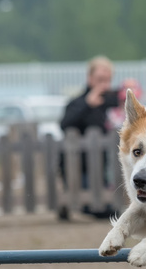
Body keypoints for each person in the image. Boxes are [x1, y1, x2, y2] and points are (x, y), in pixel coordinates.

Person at [57, 57, 140, 221]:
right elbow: (65, 124)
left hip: (104, 165)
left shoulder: (110, 100)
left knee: (108, 204)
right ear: (90, 79)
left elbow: (129, 98)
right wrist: (88, 104)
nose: (104, 84)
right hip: (78, 166)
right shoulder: (77, 102)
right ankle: (66, 206)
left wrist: (130, 87)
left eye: (107, 80)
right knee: (93, 206)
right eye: (100, 80)